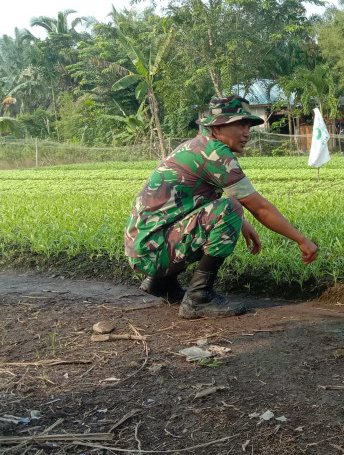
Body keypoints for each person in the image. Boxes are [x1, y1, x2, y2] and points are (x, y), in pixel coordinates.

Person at [124, 96, 318, 319]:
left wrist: (242, 222)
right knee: (230, 208)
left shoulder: (195, 146)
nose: (247, 132)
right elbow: (259, 207)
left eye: (249, 126)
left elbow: (192, 202)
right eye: (240, 124)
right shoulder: (215, 154)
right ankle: (198, 297)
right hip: (152, 252)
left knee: (232, 208)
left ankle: (161, 283)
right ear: (217, 127)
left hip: (144, 246)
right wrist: (301, 240)